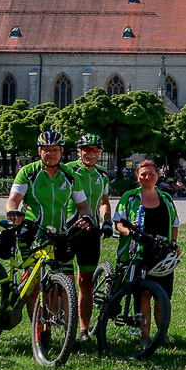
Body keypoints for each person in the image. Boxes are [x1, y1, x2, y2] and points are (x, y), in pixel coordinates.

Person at [113, 160, 181, 341]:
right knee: (143, 294)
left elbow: (174, 223)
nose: (147, 177)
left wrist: (174, 242)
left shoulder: (166, 199)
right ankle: (145, 336)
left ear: (158, 176)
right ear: (137, 177)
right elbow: (118, 223)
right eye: (143, 174)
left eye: (151, 173)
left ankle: (162, 335)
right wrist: (129, 231)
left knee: (162, 298)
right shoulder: (129, 197)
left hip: (162, 254)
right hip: (138, 253)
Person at [6, 131, 93, 252]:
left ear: (61, 151)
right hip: (32, 231)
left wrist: (87, 217)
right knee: (34, 270)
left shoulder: (69, 174)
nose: (50, 154)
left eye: (55, 150)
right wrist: (12, 211)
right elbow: (13, 200)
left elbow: (83, 205)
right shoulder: (28, 172)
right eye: (46, 150)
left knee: (66, 271)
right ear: (39, 151)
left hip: (59, 233)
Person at [65, 134, 113, 342]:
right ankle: (61, 327)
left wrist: (107, 221)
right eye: (87, 149)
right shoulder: (67, 170)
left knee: (86, 282)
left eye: (95, 150)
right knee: (63, 280)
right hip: (67, 229)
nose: (91, 153)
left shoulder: (102, 174)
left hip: (90, 232)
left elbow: (104, 201)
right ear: (79, 151)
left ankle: (83, 329)